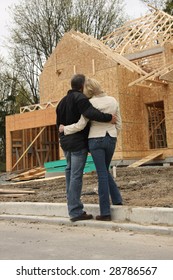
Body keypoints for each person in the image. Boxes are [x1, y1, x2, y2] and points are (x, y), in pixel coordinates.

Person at [59, 78, 123, 221]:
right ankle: (117, 199)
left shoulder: (88, 103)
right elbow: (119, 124)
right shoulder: (113, 100)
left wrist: (64, 130)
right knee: (104, 171)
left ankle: (105, 212)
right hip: (110, 138)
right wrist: (113, 136)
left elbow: (81, 125)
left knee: (101, 174)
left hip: (94, 140)